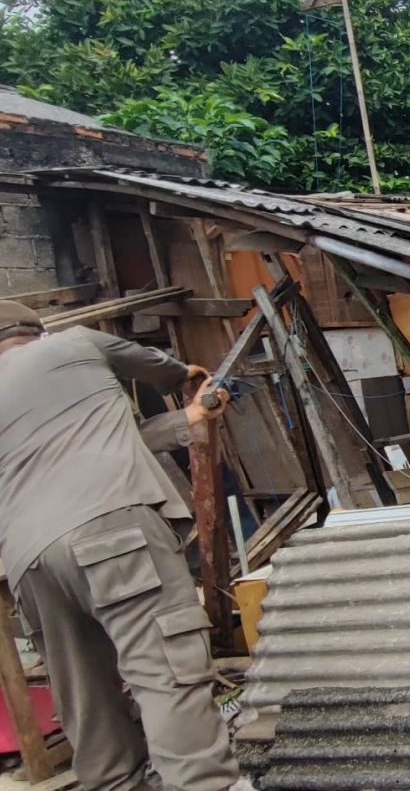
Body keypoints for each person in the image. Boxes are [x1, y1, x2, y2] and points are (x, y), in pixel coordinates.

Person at [0, 301, 243, 791]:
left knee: (86, 701)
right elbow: (166, 369)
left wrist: (190, 419)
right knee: (165, 676)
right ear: (38, 332)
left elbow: (107, 439)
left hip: (28, 562)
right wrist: (190, 379)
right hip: (116, 531)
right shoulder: (75, 344)